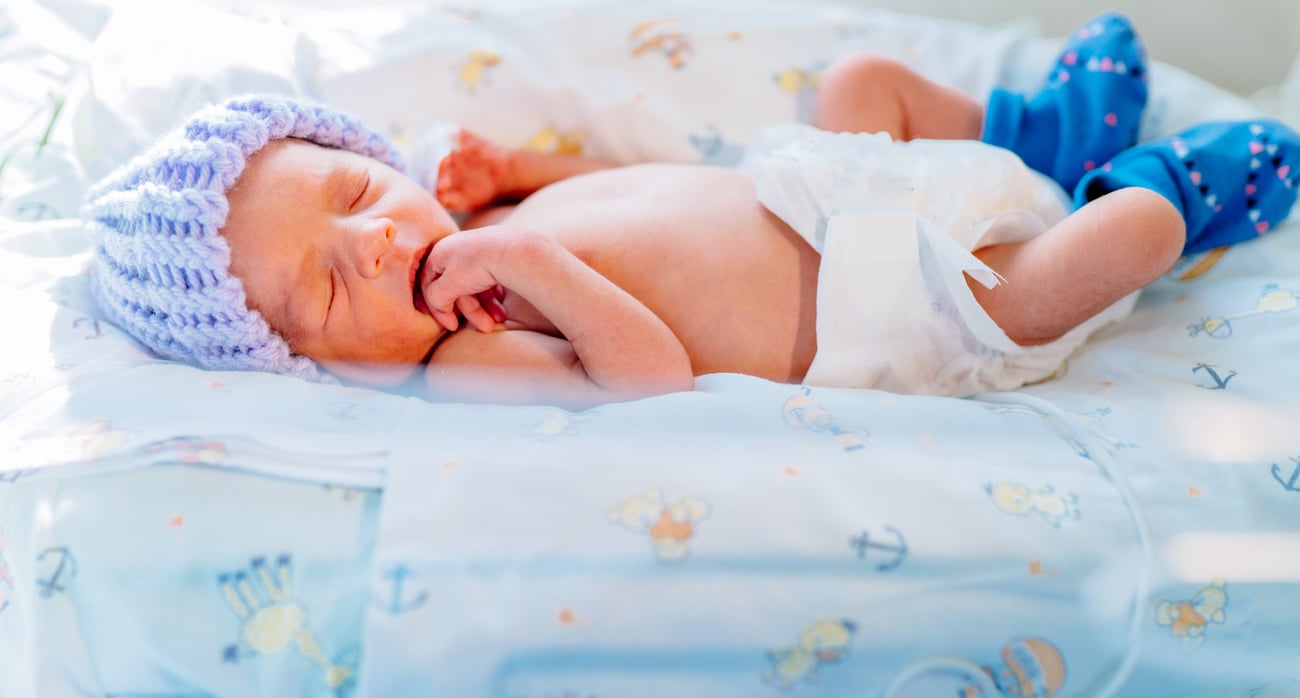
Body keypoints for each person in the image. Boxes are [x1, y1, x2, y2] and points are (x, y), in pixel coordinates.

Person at [85, 12, 1299, 408]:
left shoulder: (481, 232)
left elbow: (619, 195)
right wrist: (527, 260)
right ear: (304, 359)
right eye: (331, 288)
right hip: (918, 305)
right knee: (1113, 245)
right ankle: (1155, 188)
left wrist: (516, 173)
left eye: (356, 194)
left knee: (861, 86)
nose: (378, 243)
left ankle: (1034, 135)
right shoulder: (476, 345)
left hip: (838, 186)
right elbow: (649, 378)